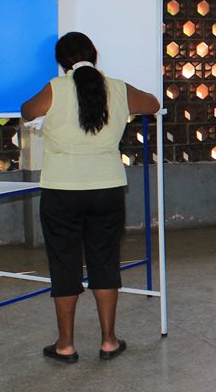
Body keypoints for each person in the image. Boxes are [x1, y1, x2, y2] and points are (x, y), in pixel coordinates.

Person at [21, 32, 160, 364]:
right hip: (108, 189)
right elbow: (153, 104)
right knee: (105, 262)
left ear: (62, 61)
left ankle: (66, 345)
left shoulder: (55, 89)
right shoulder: (118, 88)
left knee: (64, 264)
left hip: (61, 191)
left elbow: (27, 111)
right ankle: (109, 340)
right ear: (94, 57)